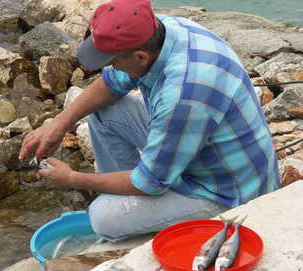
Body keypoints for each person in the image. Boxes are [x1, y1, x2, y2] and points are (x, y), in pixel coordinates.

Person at [19, 0, 280, 242]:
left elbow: (151, 182)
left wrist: (74, 178)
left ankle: (134, 219)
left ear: (140, 57)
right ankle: (130, 204)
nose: (106, 68)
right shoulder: (162, 30)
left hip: (229, 191)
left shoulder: (182, 94)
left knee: (101, 218)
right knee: (106, 112)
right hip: (203, 147)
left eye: (112, 61)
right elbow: (111, 83)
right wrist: (58, 123)